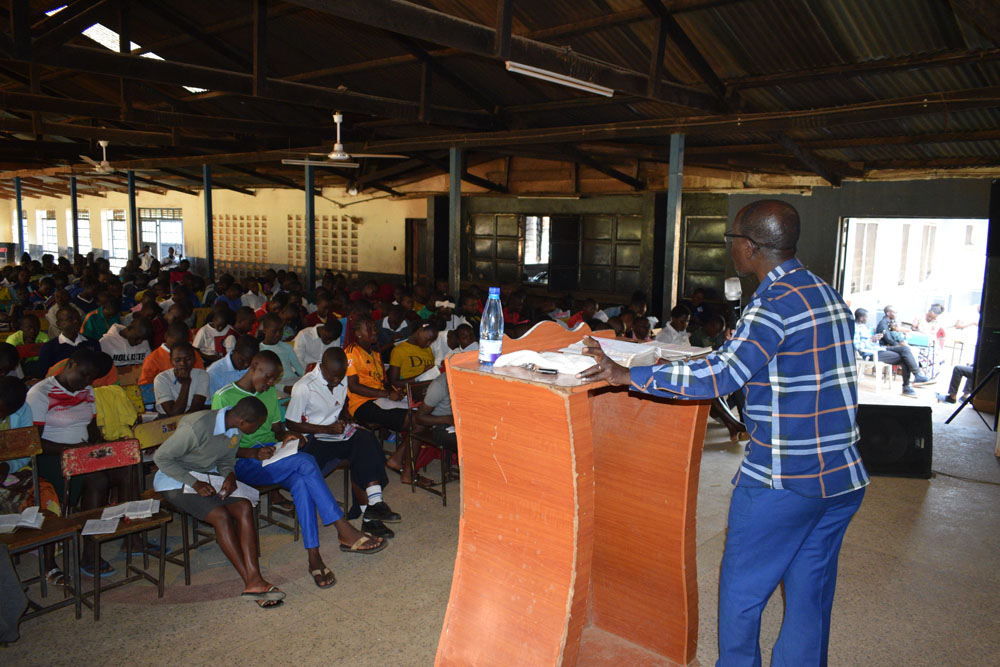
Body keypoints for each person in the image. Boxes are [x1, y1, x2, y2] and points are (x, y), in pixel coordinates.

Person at [579, 200, 868, 665]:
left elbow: (722, 375)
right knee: (810, 597)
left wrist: (627, 375)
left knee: (742, 598)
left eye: (732, 239)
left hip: (782, 481)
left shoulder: (771, 304)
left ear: (749, 247)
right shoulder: (826, 293)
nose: (731, 247)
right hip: (841, 477)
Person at [212, 351, 386, 589]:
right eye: (268, 377)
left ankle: (314, 557)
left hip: (271, 454)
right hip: (241, 461)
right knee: (305, 463)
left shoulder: (268, 392)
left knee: (302, 482)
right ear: (253, 366)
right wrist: (251, 453)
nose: (271, 384)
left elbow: (276, 430)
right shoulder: (223, 396)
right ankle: (343, 528)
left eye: (274, 379)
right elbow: (219, 448)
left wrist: (287, 436)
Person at [152, 397, 285, 608]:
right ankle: (253, 582)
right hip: (175, 480)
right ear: (243, 421)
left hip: (207, 476)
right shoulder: (197, 426)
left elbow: (226, 460)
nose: (259, 429)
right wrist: (195, 483)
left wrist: (229, 475)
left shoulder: (235, 429)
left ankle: (254, 578)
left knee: (243, 506)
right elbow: (161, 458)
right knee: (221, 516)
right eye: (257, 425)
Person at [28, 348, 126, 577]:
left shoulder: (87, 391)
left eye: (91, 378)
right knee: (95, 481)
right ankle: (71, 554)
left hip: (81, 455)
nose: (86, 381)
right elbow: (34, 442)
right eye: (83, 374)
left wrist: (100, 446)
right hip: (51, 456)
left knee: (125, 469)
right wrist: (70, 451)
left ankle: (110, 541)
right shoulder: (41, 393)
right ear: (69, 364)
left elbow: (91, 428)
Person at [285, 348, 400, 539]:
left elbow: (337, 405)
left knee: (366, 440)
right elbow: (291, 423)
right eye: (332, 376)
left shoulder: (342, 378)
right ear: (322, 367)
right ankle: (370, 518)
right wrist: (326, 429)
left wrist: (345, 418)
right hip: (313, 439)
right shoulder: (304, 386)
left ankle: (375, 504)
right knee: (361, 454)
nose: (337, 380)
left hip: (335, 434)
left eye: (340, 376)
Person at [344, 316, 417, 484]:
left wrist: (394, 392)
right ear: (358, 333)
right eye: (369, 329)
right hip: (362, 404)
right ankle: (401, 464)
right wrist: (386, 394)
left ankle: (398, 460)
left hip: (380, 399)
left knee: (419, 415)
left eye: (374, 329)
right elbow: (353, 386)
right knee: (415, 420)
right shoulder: (351, 353)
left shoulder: (375, 354)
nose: (374, 332)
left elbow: (382, 382)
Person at [854, 308, 930, 398]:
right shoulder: (855, 328)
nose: (868, 318)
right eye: (867, 317)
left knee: (905, 349)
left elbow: (871, 342)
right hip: (871, 354)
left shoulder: (864, 327)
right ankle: (908, 386)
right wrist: (871, 339)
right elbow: (857, 346)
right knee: (905, 358)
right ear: (861, 318)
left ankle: (917, 376)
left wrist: (875, 339)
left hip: (879, 349)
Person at [37, 306, 100, 375]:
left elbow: (99, 368)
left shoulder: (92, 343)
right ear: (59, 324)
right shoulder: (49, 347)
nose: (76, 321)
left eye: (78, 318)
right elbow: (45, 374)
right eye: (70, 319)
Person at [139, 321, 206, 386]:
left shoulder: (193, 354)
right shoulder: (152, 359)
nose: (179, 347)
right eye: (176, 343)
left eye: (183, 343)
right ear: (166, 336)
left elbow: (202, 377)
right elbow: (144, 386)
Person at [154, 342, 210, 416]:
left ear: (194, 359)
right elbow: (173, 414)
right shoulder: (161, 379)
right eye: (177, 360)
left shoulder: (202, 375)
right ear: (171, 361)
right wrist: (185, 383)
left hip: (193, 415)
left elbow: (196, 408)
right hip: (167, 418)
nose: (182, 363)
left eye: (188, 359)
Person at [259, 313, 303, 392]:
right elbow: (262, 378)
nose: (278, 334)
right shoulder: (260, 350)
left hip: (293, 381)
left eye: (281, 331)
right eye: (274, 331)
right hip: (275, 386)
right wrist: (284, 388)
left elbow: (300, 370)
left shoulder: (287, 347)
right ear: (264, 330)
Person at [388, 322, 437, 387]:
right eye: (427, 340)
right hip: (410, 389)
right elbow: (394, 382)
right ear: (420, 331)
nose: (428, 344)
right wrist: (422, 376)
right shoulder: (399, 350)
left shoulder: (427, 349)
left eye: (431, 341)